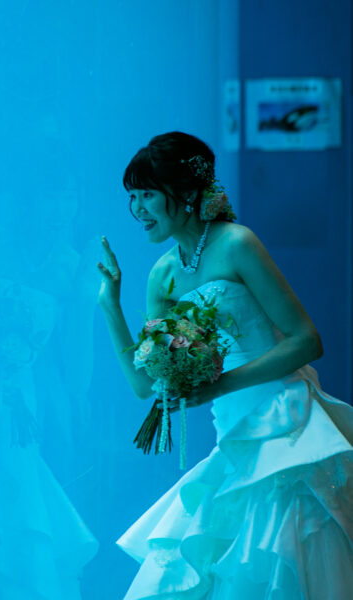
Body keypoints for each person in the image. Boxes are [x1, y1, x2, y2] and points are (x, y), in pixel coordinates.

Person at [96, 131, 353, 598]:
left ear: (188, 192)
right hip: (232, 436)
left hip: (285, 425)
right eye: (132, 197)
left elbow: (306, 340)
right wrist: (111, 305)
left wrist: (218, 385)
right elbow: (143, 385)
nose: (136, 210)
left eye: (147, 195)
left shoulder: (237, 244)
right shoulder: (162, 273)